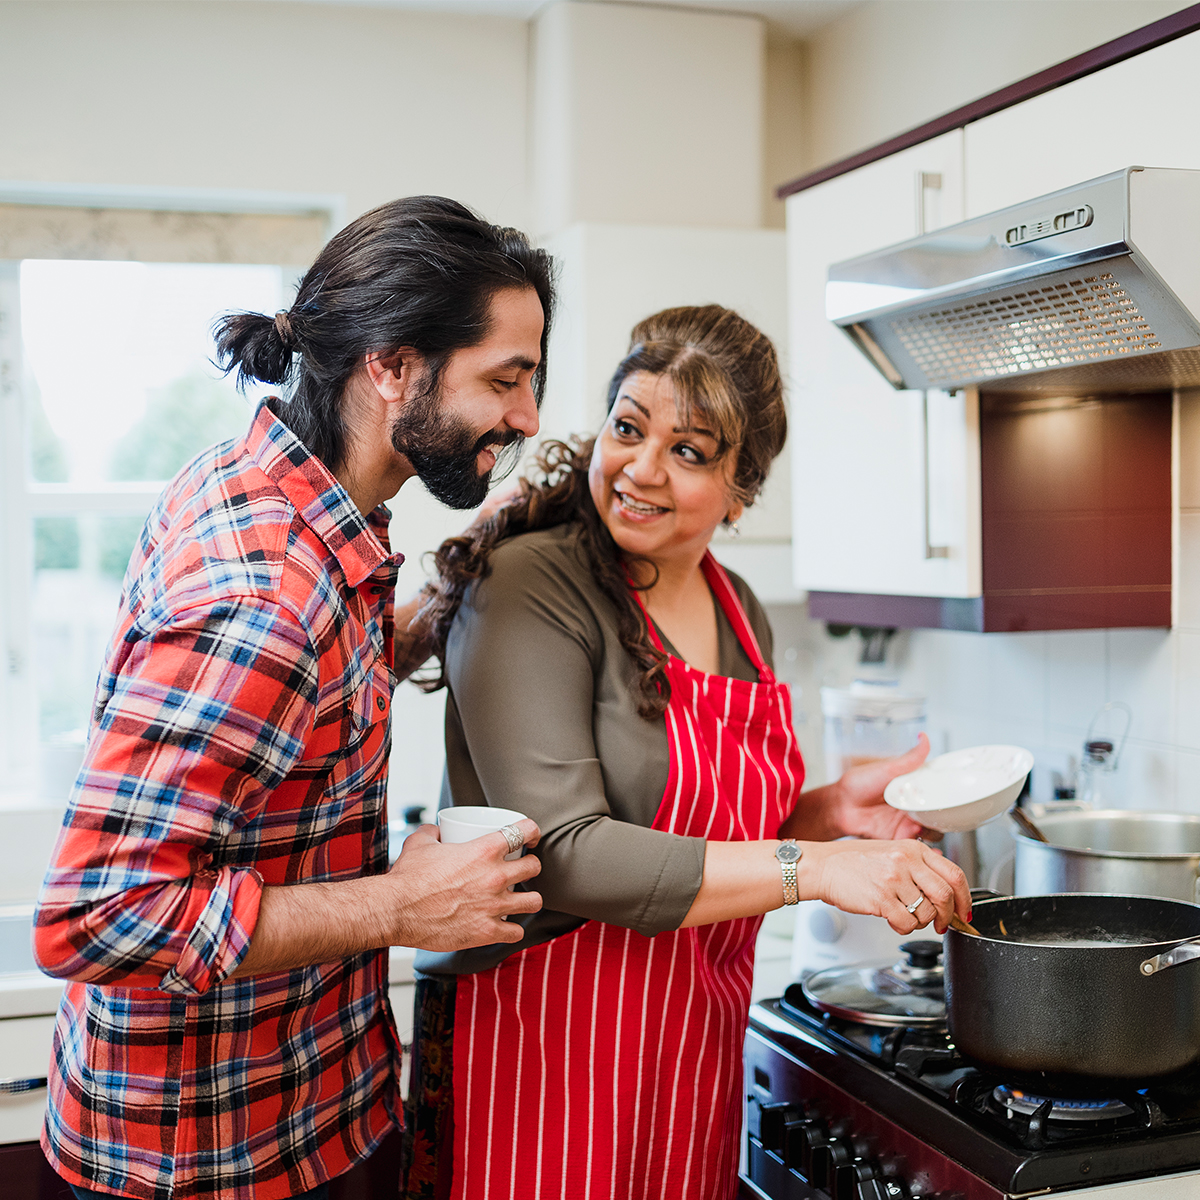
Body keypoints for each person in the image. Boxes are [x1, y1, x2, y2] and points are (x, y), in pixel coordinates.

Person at [32, 196, 555, 1200]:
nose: (527, 418)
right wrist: (402, 903)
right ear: (392, 367)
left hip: (315, 1109)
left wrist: (432, 615)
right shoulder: (264, 592)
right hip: (210, 1162)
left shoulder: (276, 494)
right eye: (506, 379)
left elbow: (280, 719)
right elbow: (98, 915)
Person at [405, 304, 972, 1200]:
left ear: (741, 489)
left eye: (691, 451)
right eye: (628, 429)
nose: (641, 468)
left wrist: (829, 814)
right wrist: (816, 864)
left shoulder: (737, 606)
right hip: (545, 1046)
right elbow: (566, 852)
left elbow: (715, 828)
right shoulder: (532, 584)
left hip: (692, 1051)